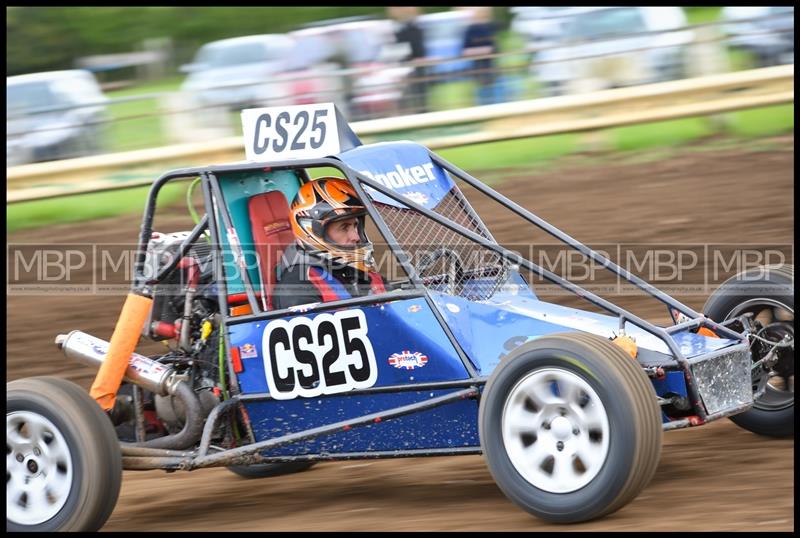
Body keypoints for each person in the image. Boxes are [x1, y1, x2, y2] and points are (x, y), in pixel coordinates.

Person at [272, 177, 388, 310]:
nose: (355, 237)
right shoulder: (297, 286)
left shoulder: (356, 271)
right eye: (344, 227)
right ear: (313, 231)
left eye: (355, 226)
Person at [388, 6, 428, 114]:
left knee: (419, 93)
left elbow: (414, 47)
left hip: (415, 64)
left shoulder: (411, 27)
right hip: (408, 65)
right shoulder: (401, 28)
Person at [461, 6, 499, 106]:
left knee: (491, 91)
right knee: (481, 93)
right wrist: (484, 50)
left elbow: (495, 48)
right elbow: (465, 51)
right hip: (477, 67)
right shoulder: (470, 30)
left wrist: (485, 50)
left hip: (489, 66)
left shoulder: (490, 28)